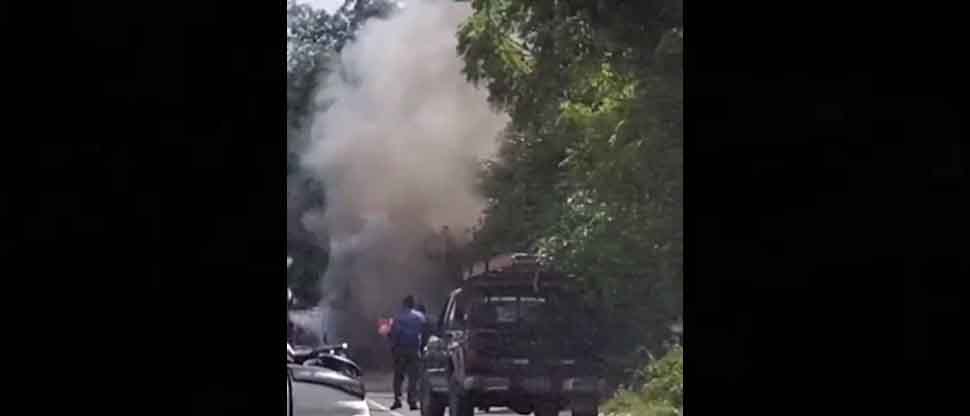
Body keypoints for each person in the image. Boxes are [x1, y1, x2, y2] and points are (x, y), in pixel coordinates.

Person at [388, 295, 426, 410]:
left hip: (400, 350)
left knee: (399, 377)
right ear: (413, 304)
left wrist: (392, 347)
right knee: (413, 377)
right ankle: (412, 401)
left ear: (404, 304)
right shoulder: (420, 317)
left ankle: (397, 400)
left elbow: (394, 333)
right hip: (414, 350)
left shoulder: (398, 318)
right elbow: (424, 332)